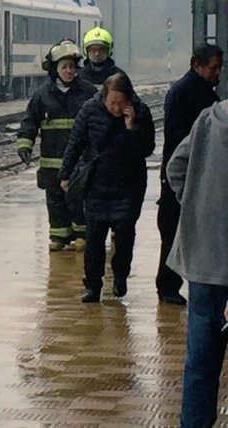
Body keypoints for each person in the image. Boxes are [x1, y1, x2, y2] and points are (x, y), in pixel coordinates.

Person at [59, 73, 155, 303]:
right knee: (94, 237)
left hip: (128, 184)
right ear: (104, 97)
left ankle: (120, 276)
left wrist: (131, 127)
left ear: (128, 100)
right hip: (97, 183)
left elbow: (146, 149)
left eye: (120, 103)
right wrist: (65, 174)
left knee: (124, 235)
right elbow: (75, 143)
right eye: (112, 103)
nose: (115, 108)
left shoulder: (140, 113)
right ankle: (92, 285)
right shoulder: (89, 110)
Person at [165, 100, 228, 428]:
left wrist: (192, 206)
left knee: (201, 365)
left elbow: (175, 167)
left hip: (206, 263)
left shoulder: (209, 119)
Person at [155, 43, 223, 307]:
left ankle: (171, 284)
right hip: (183, 172)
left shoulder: (202, 92)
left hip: (188, 172)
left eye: (219, 68)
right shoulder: (187, 93)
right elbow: (177, 139)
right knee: (172, 231)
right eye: (212, 68)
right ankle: (167, 285)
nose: (217, 73)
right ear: (198, 65)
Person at [16, 40, 96, 252]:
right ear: (55, 69)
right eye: (64, 67)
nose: (68, 71)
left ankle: (82, 235)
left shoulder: (88, 92)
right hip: (51, 161)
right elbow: (30, 121)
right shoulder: (42, 95)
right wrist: (25, 144)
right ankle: (59, 235)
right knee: (55, 200)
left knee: (79, 198)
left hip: (80, 161)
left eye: (71, 66)